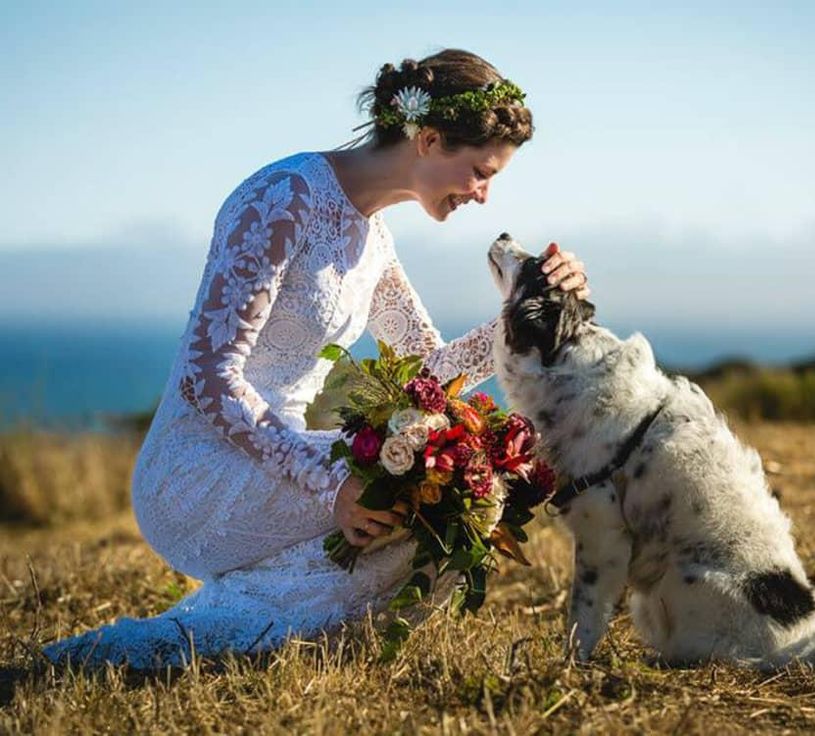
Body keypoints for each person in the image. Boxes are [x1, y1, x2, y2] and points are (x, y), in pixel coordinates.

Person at [43, 49, 590, 669]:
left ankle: (263, 624)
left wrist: (526, 315)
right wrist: (331, 482)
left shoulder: (373, 235)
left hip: (293, 462)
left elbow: (426, 375)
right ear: (430, 139)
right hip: (197, 473)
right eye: (479, 172)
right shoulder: (284, 196)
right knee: (426, 491)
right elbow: (208, 377)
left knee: (463, 479)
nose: (484, 196)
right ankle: (194, 641)